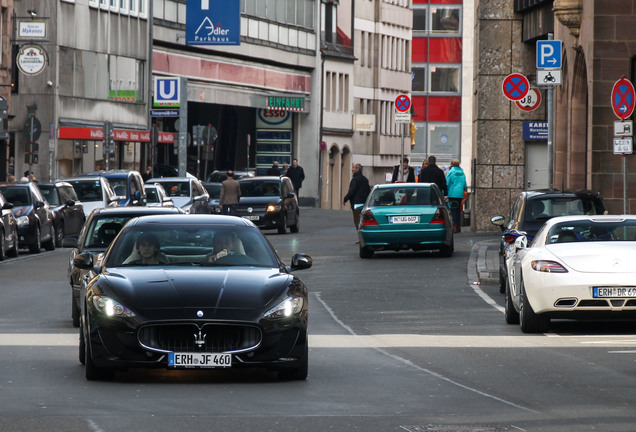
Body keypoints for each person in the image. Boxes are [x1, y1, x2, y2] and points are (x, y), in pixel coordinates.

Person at [343, 163, 371, 230]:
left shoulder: (355, 179)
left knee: (357, 221)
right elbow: (368, 191)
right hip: (364, 203)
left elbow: (351, 191)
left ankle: (360, 236)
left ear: (357, 169)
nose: (352, 169)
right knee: (363, 220)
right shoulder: (365, 179)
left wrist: (345, 199)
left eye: (353, 168)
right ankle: (363, 235)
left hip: (356, 204)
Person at [445, 159, 467, 233]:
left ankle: (455, 227)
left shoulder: (450, 172)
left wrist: (445, 193)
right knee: (458, 210)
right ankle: (458, 226)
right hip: (460, 194)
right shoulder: (462, 173)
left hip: (452, 194)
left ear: (451, 164)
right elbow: (465, 184)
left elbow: (447, 183)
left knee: (453, 210)